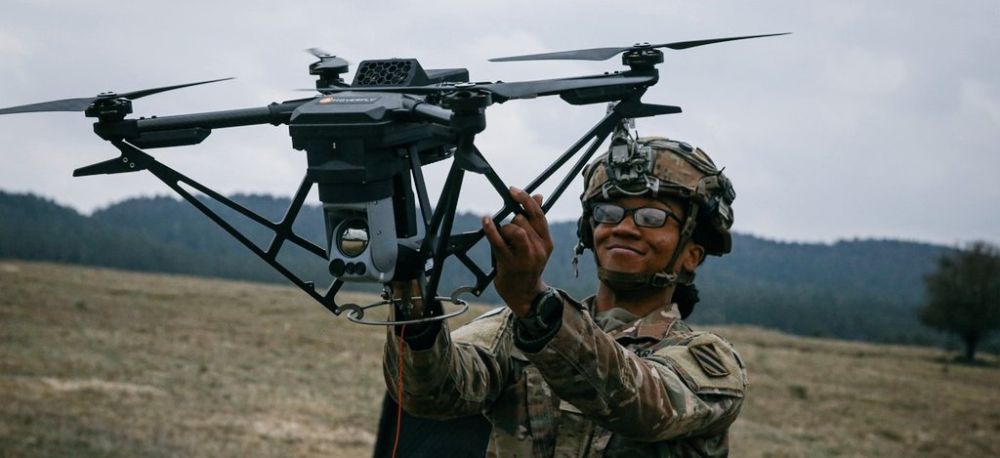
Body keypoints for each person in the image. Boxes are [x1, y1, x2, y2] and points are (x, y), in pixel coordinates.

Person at [382, 131, 748, 457]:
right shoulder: (515, 328)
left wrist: (536, 305)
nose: (623, 228)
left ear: (691, 255)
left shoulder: (710, 362)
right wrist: (410, 295)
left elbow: (641, 406)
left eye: (651, 217)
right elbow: (431, 393)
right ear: (590, 232)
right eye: (608, 212)